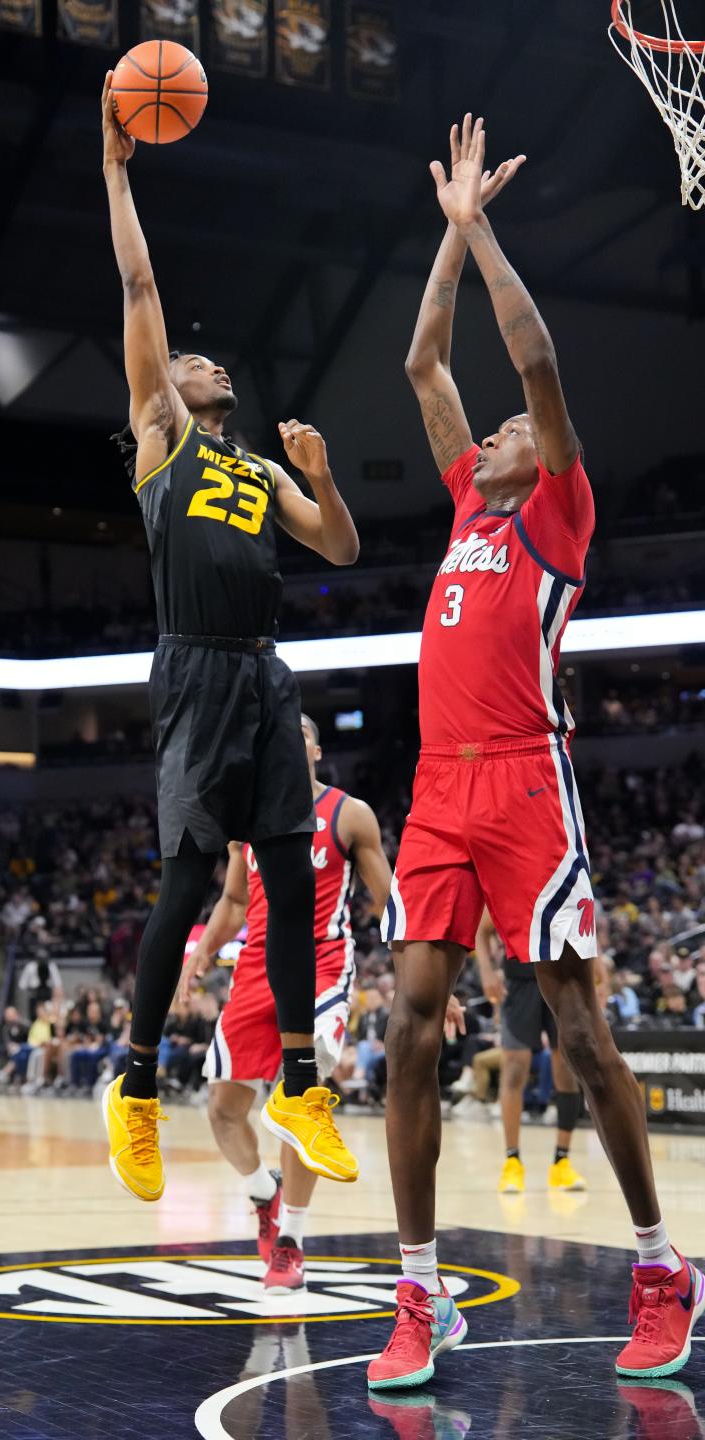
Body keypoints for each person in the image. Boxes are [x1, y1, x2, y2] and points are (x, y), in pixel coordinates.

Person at [370, 115, 703, 1392]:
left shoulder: (557, 510)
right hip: (439, 788)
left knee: (576, 1029)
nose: (501, 427)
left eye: (513, 427)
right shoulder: (467, 498)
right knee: (407, 1032)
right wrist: (443, 242)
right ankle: (419, 1290)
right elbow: (422, 360)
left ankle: (663, 1265)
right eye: (495, 429)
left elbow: (538, 360)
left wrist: (484, 227)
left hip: (525, 775)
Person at [100, 72, 361, 1203]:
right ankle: (136, 1082)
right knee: (194, 873)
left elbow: (341, 550)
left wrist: (322, 478)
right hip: (197, 666)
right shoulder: (163, 435)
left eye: (214, 364)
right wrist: (115, 169)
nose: (209, 364)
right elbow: (142, 279)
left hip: (263, 671)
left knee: (296, 872)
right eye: (195, 360)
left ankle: (302, 1079)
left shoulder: (257, 468)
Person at [177, 714, 394, 1291]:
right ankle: (263, 1194)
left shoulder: (351, 814)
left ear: (316, 750)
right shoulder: (246, 821)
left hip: (322, 967)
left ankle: (291, 1241)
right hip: (254, 972)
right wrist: (198, 955)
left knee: (300, 1107)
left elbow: (390, 902)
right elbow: (230, 900)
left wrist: (428, 983)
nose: (284, 743)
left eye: (297, 735)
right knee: (222, 1109)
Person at [473, 908, 586, 1194]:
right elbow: (481, 930)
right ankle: (512, 1160)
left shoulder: (561, 872)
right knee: (514, 1067)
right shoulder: (508, 876)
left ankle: (562, 1161)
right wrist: (486, 970)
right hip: (519, 980)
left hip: (561, 976)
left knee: (566, 1069)